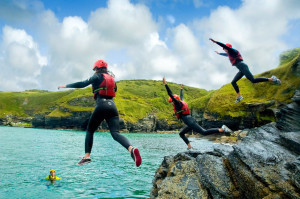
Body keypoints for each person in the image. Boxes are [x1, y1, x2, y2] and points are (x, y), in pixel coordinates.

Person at [58, 60, 142, 167]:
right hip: (113, 107)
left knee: (90, 130)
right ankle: (131, 149)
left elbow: (82, 84)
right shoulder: (112, 78)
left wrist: (65, 85)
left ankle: (86, 156)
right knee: (116, 133)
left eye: (94, 69)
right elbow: (114, 90)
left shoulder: (97, 76)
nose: (94, 71)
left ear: (97, 68)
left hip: (101, 105)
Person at [162, 77, 233, 149]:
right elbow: (181, 97)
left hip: (190, 122)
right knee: (181, 134)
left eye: (171, 102)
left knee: (204, 132)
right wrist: (181, 89)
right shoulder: (180, 102)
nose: (171, 103)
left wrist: (165, 84)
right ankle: (190, 147)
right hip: (189, 121)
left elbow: (170, 94)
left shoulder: (178, 103)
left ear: (174, 100)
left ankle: (222, 129)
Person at [209, 38, 281, 103]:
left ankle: (272, 79)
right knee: (233, 82)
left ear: (227, 48)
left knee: (253, 80)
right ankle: (239, 96)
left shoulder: (233, 51)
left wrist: (216, 42)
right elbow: (225, 54)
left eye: (224, 48)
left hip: (243, 66)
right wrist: (219, 54)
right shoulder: (229, 53)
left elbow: (225, 47)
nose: (223, 49)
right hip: (241, 69)